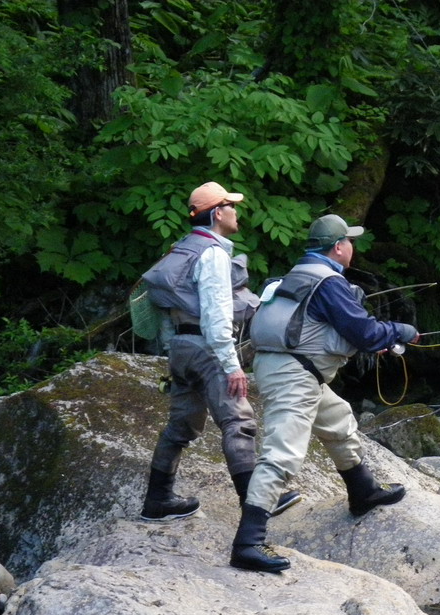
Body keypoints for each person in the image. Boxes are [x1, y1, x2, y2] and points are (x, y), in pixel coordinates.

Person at [229, 214, 420, 573]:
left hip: (286, 368)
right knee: (282, 456)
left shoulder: (294, 275)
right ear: (337, 247)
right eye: (349, 242)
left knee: (338, 420)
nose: (352, 248)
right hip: (293, 375)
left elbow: (321, 329)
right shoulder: (329, 282)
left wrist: (370, 338)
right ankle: (247, 543)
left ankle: (362, 491)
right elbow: (363, 332)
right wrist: (401, 330)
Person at [140, 181, 301, 522]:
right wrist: (231, 365)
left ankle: (158, 501)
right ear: (217, 213)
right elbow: (216, 315)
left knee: (180, 427)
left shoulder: (181, 249)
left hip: (182, 348)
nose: (236, 212)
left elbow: (166, 310)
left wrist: (174, 350)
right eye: (231, 206)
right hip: (207, 348)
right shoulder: (212, 254)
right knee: (239, 422)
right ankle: (257, 501)